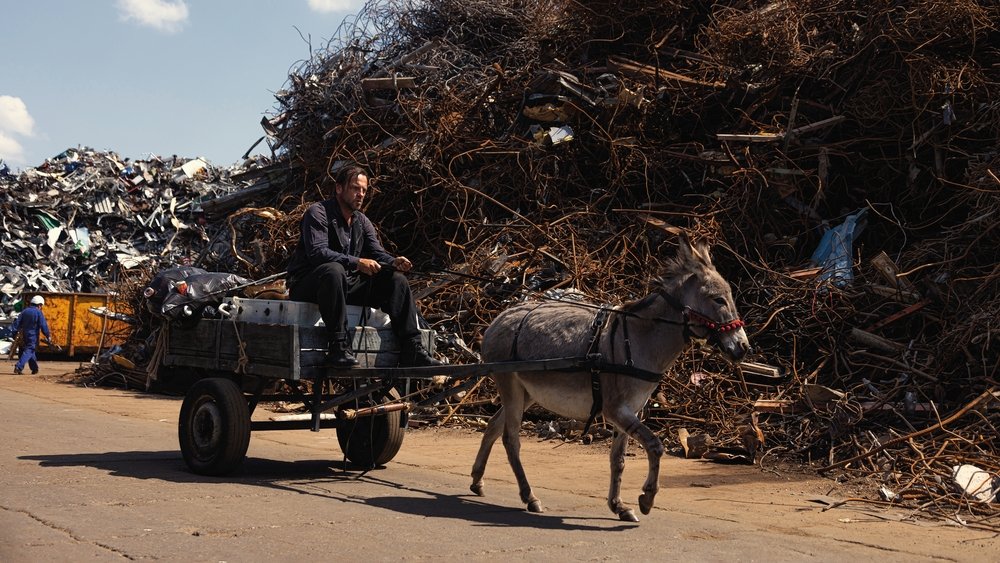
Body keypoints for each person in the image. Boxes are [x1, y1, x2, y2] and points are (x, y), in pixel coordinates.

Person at [285, 165, 443, 368]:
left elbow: (376, 252)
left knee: (396, 280)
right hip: (309, 285)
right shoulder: (318, 213)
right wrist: (357, 262)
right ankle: (338, 348)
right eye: (355, 188)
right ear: (339, 188)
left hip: (343, 285)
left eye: (364, 190)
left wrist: (393, 262)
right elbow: (318, 253)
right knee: (333, 270)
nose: (360, 194)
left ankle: (412, 348)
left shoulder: (362, 221)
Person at [12, 295, 52, 375]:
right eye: (41, 306)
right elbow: (43, 325)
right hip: (32, 335)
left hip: (23, 335)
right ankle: (18, 366)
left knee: (30, 351)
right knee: (29, 350)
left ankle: (34, 368)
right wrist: (48, 335)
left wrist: (14, 333)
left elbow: (17, 323)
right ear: (39, 305)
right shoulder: (38, 312)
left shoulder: (25, 311)